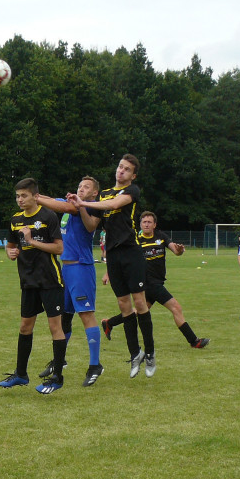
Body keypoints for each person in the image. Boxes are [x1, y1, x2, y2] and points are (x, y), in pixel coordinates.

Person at [74, 154, 156, 379]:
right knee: (123, 304)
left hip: (131, 252)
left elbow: (114, 204)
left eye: (127, 169)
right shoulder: (102, 194)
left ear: (133, 176)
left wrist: (83, 202)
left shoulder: (132, 191)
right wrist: (80, 208)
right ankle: (135, 353)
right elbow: (91, 225)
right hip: (112, 255)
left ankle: (150, 352)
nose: (121, 171)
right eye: (120, 167)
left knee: (140, 302)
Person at [0, 177, 68, 394]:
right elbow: (10, 247)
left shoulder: (48, 216)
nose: (20, 200)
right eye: (17, 196)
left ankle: (57, 377)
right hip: (28, 281)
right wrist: (10, 252)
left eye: (24, 196)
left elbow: (59, 249)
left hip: (50, 280)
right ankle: (20, 374)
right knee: (25, 327)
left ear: (35, 196)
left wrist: (31, 241)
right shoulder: (15, 220)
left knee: (55, 327)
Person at [34, 176, 105, 388]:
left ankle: (95, 365)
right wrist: (35, 195)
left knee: (86, 315)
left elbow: (68, 210)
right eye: (80, 186)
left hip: (81, 268)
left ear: (94, 193)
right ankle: (59, 361)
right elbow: (53, 201)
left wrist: (36, 198)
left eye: (86, 187)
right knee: (64, 316)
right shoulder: (70, 204)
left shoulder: (90, 206)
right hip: (65, 269)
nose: (81, 189)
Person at [135, 211, 209, 349]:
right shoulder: (136, 240)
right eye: (144, 222)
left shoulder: (160, 236)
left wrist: (179, 250)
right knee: (176, 307)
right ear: (140, 224)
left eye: (149, 222)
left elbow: (175, 251)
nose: (146, 224)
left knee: (140, 310)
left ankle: (109, 323)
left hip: (157, 281)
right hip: (149, 283)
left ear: (154, 224)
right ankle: (194, 341)